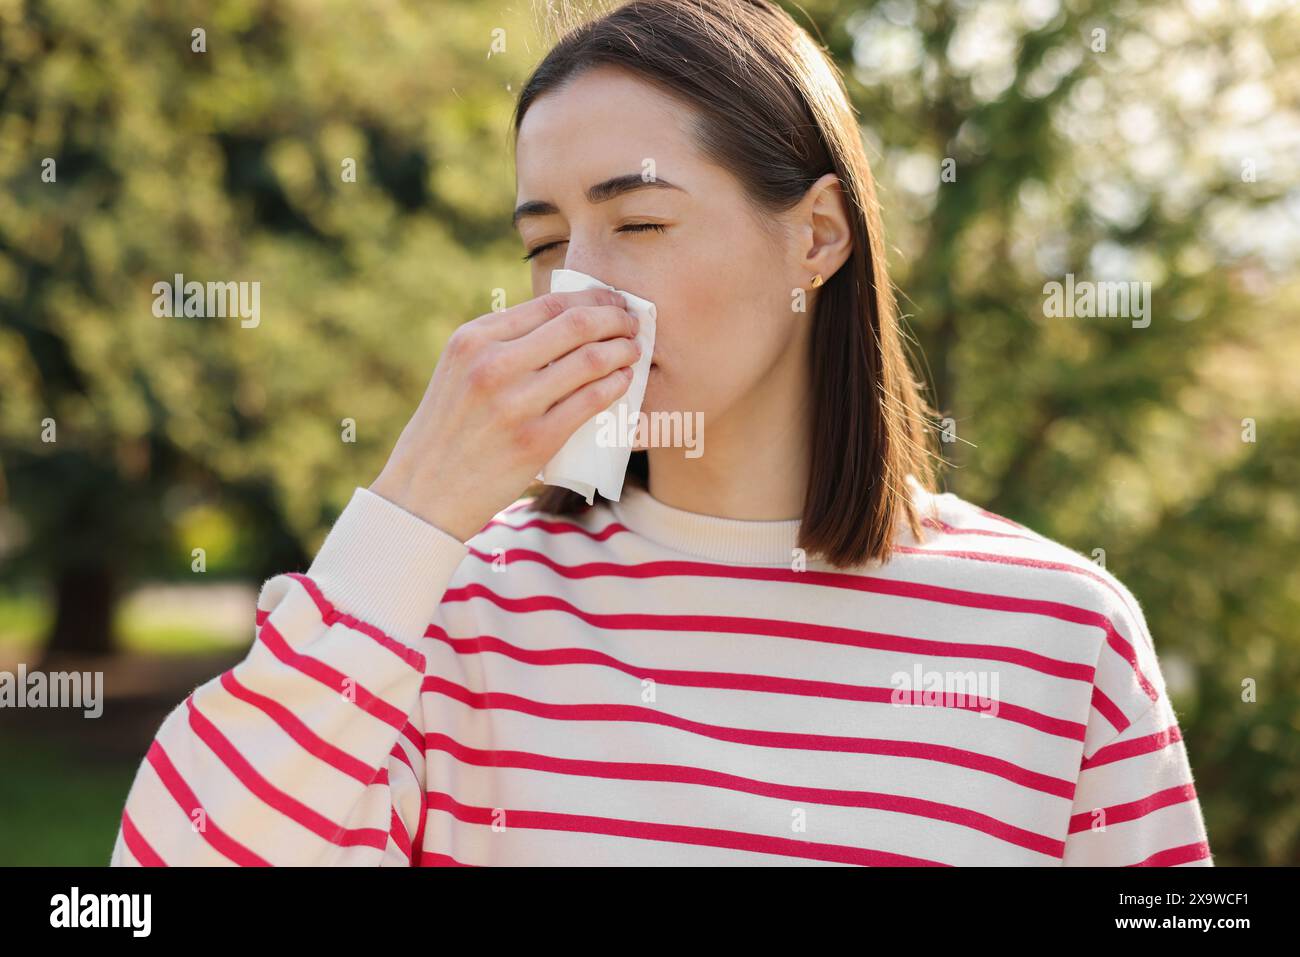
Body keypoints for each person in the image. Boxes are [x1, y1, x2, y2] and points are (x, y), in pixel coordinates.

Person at [110, 0, 1211, 866]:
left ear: (816, 238)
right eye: (544, 242)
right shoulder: (449, 619)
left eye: (638, 222)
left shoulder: (1061, 637)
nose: (578, 287)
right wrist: (411, 510)